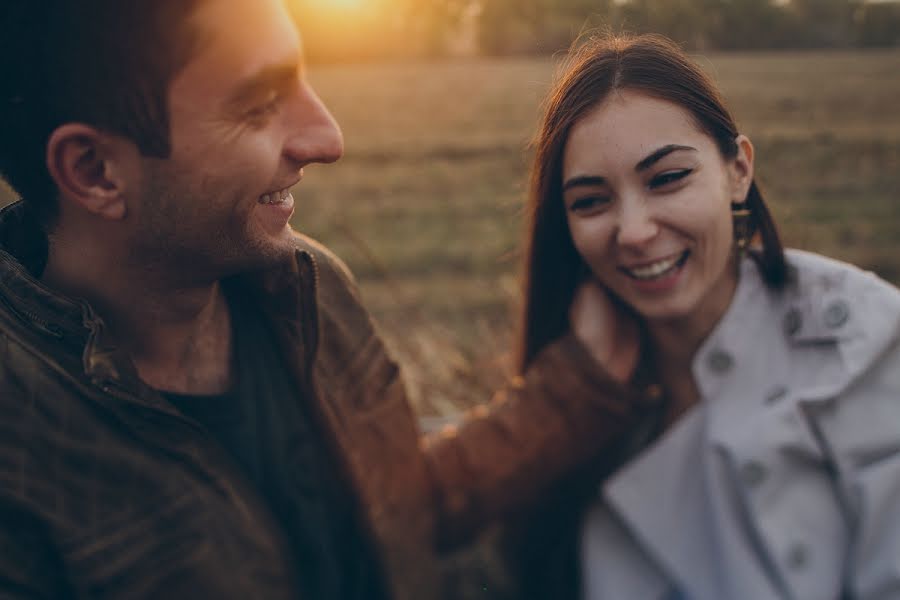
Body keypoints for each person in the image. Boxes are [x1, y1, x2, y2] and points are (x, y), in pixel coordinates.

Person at [0, 2, 656, 599]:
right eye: (257, 106)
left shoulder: (306, 285)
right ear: (95, 171)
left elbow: (400, 511)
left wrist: (576, 388)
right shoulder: (18, 463)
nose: (328, 138)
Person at [508, 33, 900, 600]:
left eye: (667, 179)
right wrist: (571, 392)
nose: (635, 231)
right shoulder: (584, 401)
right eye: (591, 201)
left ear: (738, 170)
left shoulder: (865, 342)